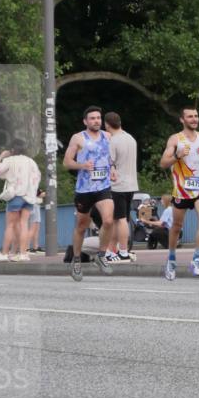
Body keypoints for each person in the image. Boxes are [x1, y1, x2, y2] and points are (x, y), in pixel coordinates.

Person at [158, 105, 199, 280]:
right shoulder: (175, 139)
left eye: (196, 116)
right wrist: (177, 155)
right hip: (181, 191)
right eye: (190, 117)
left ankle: (196, 260)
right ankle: (171, 258)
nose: (194, 119)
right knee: (176, 227)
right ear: (182, 120)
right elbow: (163, 163)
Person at [63, 106, 116, 281]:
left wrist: (113, 168)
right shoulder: (78, 138)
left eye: (98, 118)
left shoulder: (107, 136)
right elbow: (67, 162)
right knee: (81, 226)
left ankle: (101, 256)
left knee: (108, 220)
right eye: (92, 118)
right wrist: (82, 165)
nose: (96, 121)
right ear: (85, 121)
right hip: (84, 189)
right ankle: (77, 260)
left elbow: (108, 157)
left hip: (103, 186)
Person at [0, 139, 41, 263]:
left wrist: (0, 157)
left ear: (12, 150)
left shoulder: (9, 160)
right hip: (29, 197)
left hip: (16, 195)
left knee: (10, 225)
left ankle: (4, 253)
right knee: (24, 224)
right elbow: (37, 177)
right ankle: (23, 254)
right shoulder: (31, 162)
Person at [105, 111, 139, 262]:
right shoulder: (130, 138)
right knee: (116, 219)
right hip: (131, 183)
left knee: (121, 219)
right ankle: (111, 250)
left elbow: (110, 162)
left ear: (107, 124)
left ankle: (123, 252)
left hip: (117, 185)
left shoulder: (113, 141)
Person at [26, 189, 45, 254]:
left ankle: (35, 247)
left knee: (37, 228)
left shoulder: (35, 182)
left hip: (36, 206)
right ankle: (26, 248)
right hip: (33, 205)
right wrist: (41, 194)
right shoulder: (30, 182)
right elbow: (38, 193)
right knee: (32, 228)